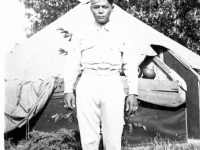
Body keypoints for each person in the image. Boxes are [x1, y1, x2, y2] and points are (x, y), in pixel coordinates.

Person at [63, 0, 138, 149]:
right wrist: (68, 89)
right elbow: (72, 62)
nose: (101, 11)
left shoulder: (122, 33)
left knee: (113, 136)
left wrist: (133, 92)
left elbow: (130, 64)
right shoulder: (81, 33)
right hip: (87, 83)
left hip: (112, 83)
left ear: (112, 8)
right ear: (91, 9)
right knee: (88, 137)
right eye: (96, 7)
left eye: (105, 7)